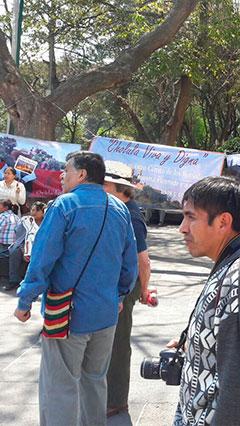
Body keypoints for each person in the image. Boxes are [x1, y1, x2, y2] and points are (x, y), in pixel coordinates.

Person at [14, 151, 138, 426]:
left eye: (67, 170)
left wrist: (25, 301)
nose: (62, 175)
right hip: (106, 314)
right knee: (95, 383)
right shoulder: (119, 208)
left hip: (67, 315)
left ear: (82, 174)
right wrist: (119, 295)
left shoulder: (64, 206)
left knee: (60, 386)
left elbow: (42, 258)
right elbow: (130, 264)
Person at [173, 176, 240, 425]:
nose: (182, 227)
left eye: (191, 217)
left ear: (223, 221)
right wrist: (194, 339)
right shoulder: (234, 260)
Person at [103, 161, 152, 417]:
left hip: (125, 286)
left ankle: (116, 399)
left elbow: (143, 259)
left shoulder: (130, 215)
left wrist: (144, 290)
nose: (101, 189)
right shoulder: (117, 210)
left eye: (106, 185)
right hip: (113, 284)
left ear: (121, 188)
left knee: (118, 343)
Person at [0, 199, 20, 290]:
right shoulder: (16, 217)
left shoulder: (3, 216)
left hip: (4, 245)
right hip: (14, 245)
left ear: (5, 207)